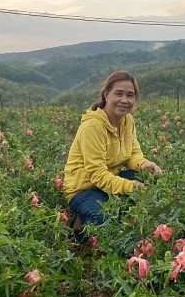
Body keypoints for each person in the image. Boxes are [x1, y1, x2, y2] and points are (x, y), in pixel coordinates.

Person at [63, 71, 163, 236]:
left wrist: (144, 164)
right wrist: (131, 187)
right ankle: (79, 227)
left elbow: (132, 155)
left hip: (110, 180)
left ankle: (112, 206)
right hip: (84, 188)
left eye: (130, 95)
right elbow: (97, 174)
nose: (124, 100)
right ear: (106, 94)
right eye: (119, 93)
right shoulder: (93, 126)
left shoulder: (127, 120)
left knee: (150, 183)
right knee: (104, 220)